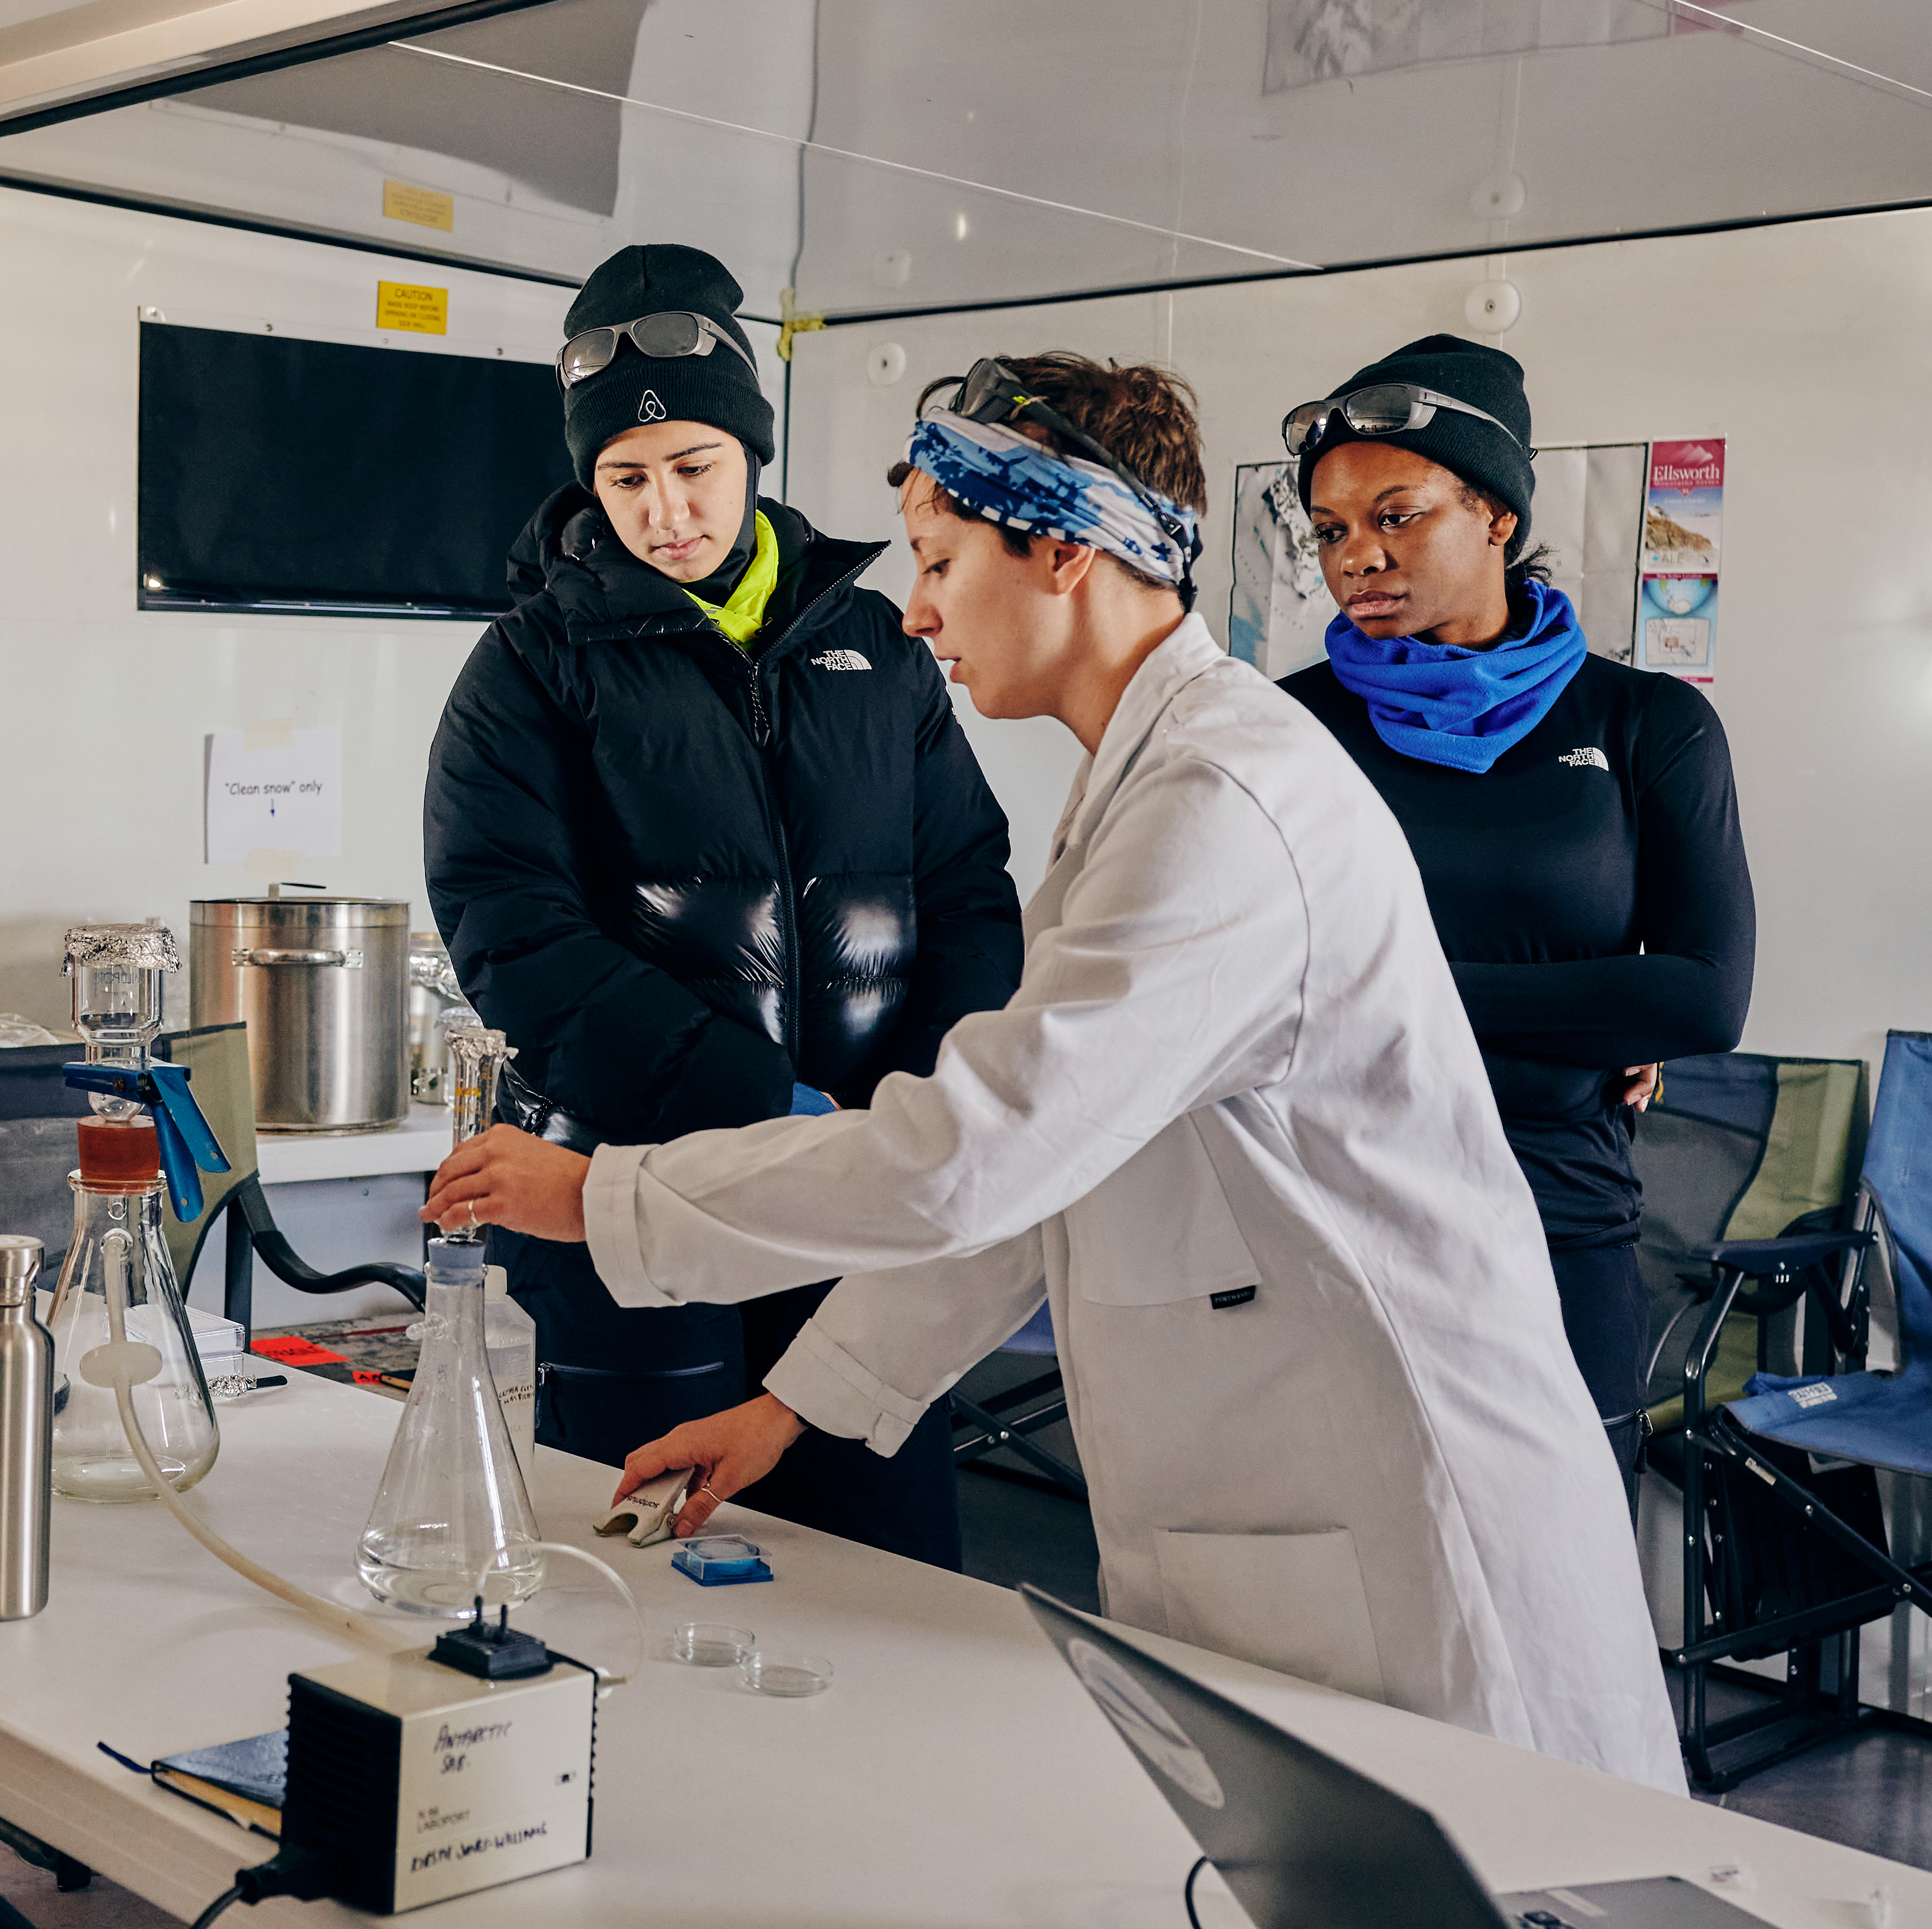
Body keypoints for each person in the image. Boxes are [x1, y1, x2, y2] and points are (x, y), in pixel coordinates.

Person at [424, 353, 1681, 1789]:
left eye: (946, 559)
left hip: (1408, 1531)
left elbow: (980, 1155)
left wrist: (604, 1199)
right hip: (1285, 1514)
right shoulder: (1146, 788)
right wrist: (799, 1406)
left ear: (1066, 552)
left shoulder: (1220, 802)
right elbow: (1051, 1177)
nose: (917, 608)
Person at [422, 245, 1023, 1566]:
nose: (664, 509)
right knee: (634, 1564)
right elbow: (511, 928)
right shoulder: (530, 663)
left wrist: (918, 1104)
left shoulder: (874, 648)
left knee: (882, 1570)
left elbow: (971, 890)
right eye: (626, 478)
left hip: (859, 1194)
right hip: (639, 1188)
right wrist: (764, 1107)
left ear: (752, 452)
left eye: (694, 467)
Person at [1278, 336, 1751, 1470]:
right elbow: (1260, 980)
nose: (1359, 557)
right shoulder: (1284, 728)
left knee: (1564, 1606)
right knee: (1329, 1609)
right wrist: (1585, 1008)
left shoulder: (1646, 723)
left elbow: (1700, 1000)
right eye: (1333, 529)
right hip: (1334, 1204)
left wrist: (1387, 987)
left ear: (1496, 514)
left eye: (1398, 515)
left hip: (1559, 1212)